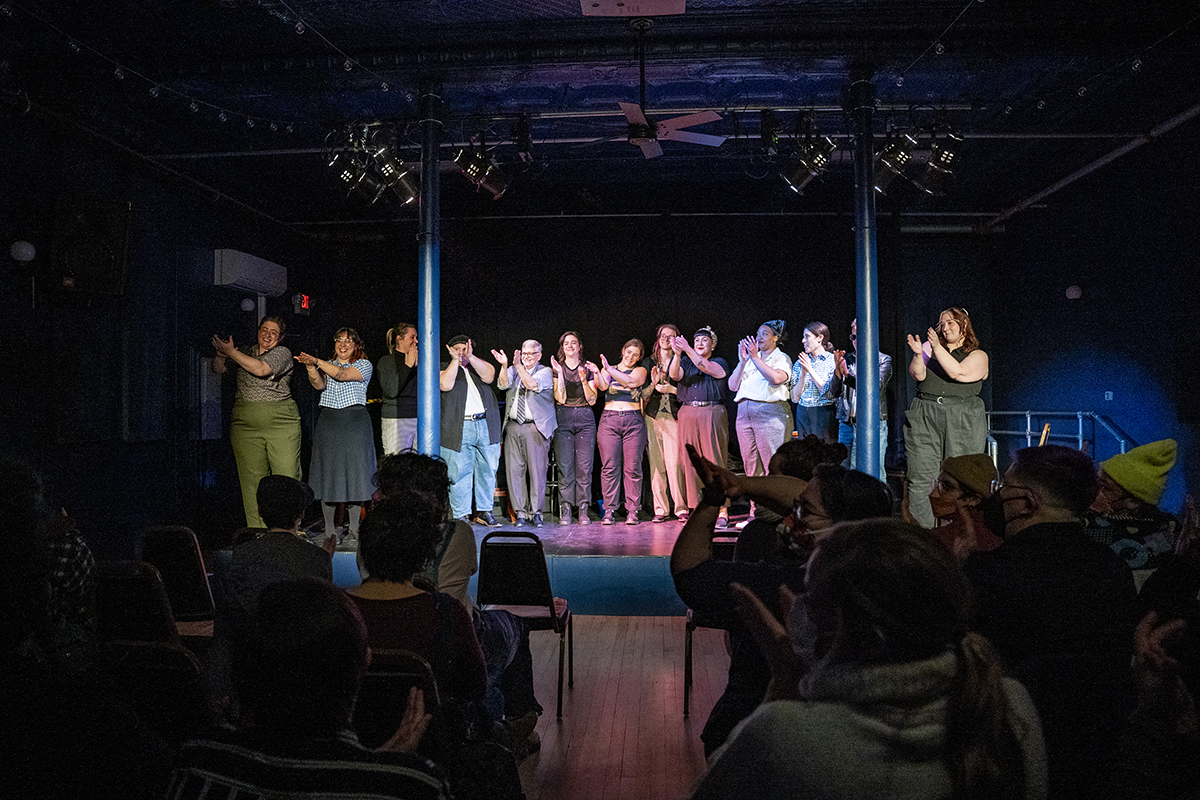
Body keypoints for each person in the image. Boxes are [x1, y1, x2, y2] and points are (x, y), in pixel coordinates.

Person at [689, 519, 1048, 800]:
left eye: (811, 596)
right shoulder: (1009, 704)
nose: (800, 607)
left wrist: (783, 682)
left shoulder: (782, 735)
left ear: (840, 625)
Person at [673, 445, 892, 757]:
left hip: (756, 735)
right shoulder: (877, 579)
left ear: (842, 528)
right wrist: (739, 484)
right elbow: (802, 494)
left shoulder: (792, 587)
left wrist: (712, 500)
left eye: (805, 511)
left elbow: (689, 572)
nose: (792, 517)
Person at [965, 444, 1139, 799]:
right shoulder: (1115, 570)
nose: (998, 498)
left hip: (1009, 752)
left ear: (1027, 502)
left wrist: (960, 569)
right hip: (1100, 755)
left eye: (1004, 488)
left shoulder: (986, 574)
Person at [169, 579, 448, 800]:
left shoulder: (199, 761)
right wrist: (385, 772)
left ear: (244, 667)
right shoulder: (416, 787)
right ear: (365, 663)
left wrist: (380, 770)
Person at [372, 453, 542, 750]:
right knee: (503, 633)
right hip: (447, 639)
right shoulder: (455, 535)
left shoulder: (372, 539)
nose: (375, 496)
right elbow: (472, 678)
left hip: (394, 642)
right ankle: (506, 729)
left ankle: (501, 730)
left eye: (382, 489)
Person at [208, 475, 334, 708]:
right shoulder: (317, 558)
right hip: (300, 678)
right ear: (301, 514)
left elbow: (226, 628)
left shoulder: (237, 557)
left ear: (260, 511)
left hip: (249, 676)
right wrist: (324, 560)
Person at [211, 316, 302, 528]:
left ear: (280, 337)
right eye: (264, 330)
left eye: (274, 332)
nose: (268, 335)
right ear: (258, 330)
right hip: (246, 424)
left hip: (280, 423)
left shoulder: (282, 352)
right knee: (251, 481)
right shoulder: (246, 352)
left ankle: (288, 530)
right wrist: (221, 355)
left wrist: (231, 352)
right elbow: (218, 370)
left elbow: (261, 369)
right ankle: (257, 532)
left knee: (286, 478)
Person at [904, 306, 990, 529]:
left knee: (962, 476)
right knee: (921, 476)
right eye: (942, 323)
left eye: (951, 322)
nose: (945, 327)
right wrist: (918, 354)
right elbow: (917, 374)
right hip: (925, 413)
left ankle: (959, 531)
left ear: (964, 325)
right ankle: (923, 534)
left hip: (963, 416)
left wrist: (936, 348)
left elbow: (957, 372)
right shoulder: (929, 347)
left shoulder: (977, 355)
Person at [296, 327, 376, 540]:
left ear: (356, 345)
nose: (343, 344)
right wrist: (311, 367)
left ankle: (354, 528)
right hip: (330, 422)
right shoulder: (328, 365)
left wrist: (317, 361)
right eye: (339, 340)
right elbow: (318, 384)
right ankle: (330, 529)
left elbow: (343, 375)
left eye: (348, 341)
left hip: (355, 422)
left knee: (355, 474)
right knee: (329, 475)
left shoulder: (363, 364)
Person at [728, 320, 793, 527]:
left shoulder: (781, 358)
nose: (759, 337)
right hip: (744, 412)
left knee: (772, 464)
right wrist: (743, 361)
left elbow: (776, 378)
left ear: (776, 338)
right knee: (750, 465)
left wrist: (755, 358)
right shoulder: (749, 359)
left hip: (769, 412)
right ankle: (755, 514)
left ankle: (776, 514)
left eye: (765, 334)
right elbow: (732, 385)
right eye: (758, 333)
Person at [1085, 438, 1181, 570]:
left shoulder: (1164, 532)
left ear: (1133, 502)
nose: (1095, 492)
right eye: (1096, 483)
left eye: (1105, 488)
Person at [439, 335, 502, 526]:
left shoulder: (477, 367)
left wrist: (471, 358)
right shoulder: (444, 367)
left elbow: (489, 376)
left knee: (487, 469)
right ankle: (461, 515)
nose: (461, 352)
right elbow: (445, 385)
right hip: (460, 426)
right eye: (457, 349)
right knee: (459, 472)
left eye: (465, 349)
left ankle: (484, 511)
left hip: (485, 424)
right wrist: (455, 361)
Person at [669, 325, 729, 525]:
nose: (699, 343)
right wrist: (678, 354)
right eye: (696, 341)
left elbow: (707, 368)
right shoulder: (686, 361)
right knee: (690, 461)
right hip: (688, 412)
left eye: (704, 340)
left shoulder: (719, 362)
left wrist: (687, 349)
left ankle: (721, 511)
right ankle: (697, 508)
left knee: (714, 459)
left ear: (713, 345)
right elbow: (674, 375)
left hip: (711, 411)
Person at [493, 340, 557, 527]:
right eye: (524, 353)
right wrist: (504, 366)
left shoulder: (545, 371)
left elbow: (531, 384)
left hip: (535, 427)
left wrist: (518, 366)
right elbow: (503, 385)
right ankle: (520, 513)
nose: (526, 357)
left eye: (530, 354)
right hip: (513, 425)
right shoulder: (513, 369)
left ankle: (536, 513)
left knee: (536, 471)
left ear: (539, 355)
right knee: (515, 471)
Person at [595, 338, 649, 525]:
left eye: (635, 355)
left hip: (633, 420)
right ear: (623, 351)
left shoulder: (640, 371)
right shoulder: (608, 369)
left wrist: (609, 369)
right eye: (629, 352)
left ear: (639, 358)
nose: (631, 357)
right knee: (609, 467)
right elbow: (602, 386)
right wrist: (598, 372)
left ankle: (632, 510)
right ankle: (609, 510)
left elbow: (631, 382)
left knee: (633, 467)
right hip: (610, 419)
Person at [833, 317, 893, 480]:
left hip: (872, 423)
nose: (855, 340)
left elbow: (874, 387)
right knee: (846, 472)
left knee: (873, 473)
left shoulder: (883, 360)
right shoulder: (847, 360)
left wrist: (848, 375)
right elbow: (834, 392)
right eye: (853, 337)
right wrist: (837, 372)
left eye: (859, 336)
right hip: (847, 423)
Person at [550, 331, 599, 524]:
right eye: (566, 343)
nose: (570, 346)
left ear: (579, 346)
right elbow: (560, 398)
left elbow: (592, 399)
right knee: (565, 466)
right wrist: (560, 375)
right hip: (564, 416)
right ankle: (566, 508)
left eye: (573, 343)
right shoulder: (558, 369)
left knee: (584, 467)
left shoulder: (588, 367)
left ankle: (583, 507)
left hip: (585, 417)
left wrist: (584, 379)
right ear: (562, 348)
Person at [642, 324, 688, 523]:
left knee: (674, 463)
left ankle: (681, 508)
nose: (666, 339)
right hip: (653, 416)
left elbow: (689, 392)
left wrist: (672, 389)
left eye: (671, 336)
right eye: (663, 335)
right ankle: (660, 509)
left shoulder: (683, 361)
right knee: (656, 464)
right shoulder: (649, 362)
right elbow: (642, 394)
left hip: (674, 416)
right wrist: (653, 384)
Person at [927, 452, 1003, 560]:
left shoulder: (941, 539)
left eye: (946, 487)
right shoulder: (1000, 535)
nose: (935, 493)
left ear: (973, 500)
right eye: (938, 484)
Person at [789, 321, 838, 444]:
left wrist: (810, 370)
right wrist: (803, 375)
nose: (803, 341)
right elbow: (794, 398)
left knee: (823, 450)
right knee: (805, 451)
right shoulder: (800, 363)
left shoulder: (832, 361)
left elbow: (829, 393)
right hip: (802, 412)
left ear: (820, 338)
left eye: (807, 336)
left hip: (823, 413)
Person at [377, 322, 419, 455]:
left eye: (416, 337)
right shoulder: (387, 361)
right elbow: (391, 391)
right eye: (412, 337)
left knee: (419, 463)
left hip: (419, 417)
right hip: (397, 418)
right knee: (397, 463)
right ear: (399, 339)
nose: (416, 341)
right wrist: (407, 366)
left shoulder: (420, 361)